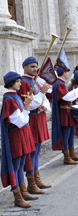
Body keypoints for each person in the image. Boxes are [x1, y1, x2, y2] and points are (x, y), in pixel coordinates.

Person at [1, 72, 36, 208]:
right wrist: (27, 106)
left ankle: (24, 191)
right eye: (18, 82)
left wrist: (26, 104)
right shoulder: (9, 99)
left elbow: (23, 119)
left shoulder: (15, 97)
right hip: (16, 135)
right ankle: (18, 196)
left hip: (22, 134)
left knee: (21, 164)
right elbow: (20, 121)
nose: (20, 84)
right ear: (11, 83)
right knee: (15, 166)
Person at [17, 57, 52, 195]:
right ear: (25, 67)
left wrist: (44, 106)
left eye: (36, 66)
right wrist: (38, 103)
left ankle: (36, 179)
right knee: (31, 152)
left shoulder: (34, 81)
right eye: (32, 66)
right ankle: (31, 182)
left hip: (39, 118)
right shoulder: (24, 82)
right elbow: (28, 103)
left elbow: (44, 99)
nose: (35, 69)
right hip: (31, 120)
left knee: (37, 151)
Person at [51, 66, 78, 165]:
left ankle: (72, 154)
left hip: (68, 112)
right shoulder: (59, 84)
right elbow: (66, 97)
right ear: (64, 73)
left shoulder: (61, 83)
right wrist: (77, 90)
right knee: (66, 135)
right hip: (64, 112)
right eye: (67, 72)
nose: (68, 74)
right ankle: (67, 156)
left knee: (70, 133)